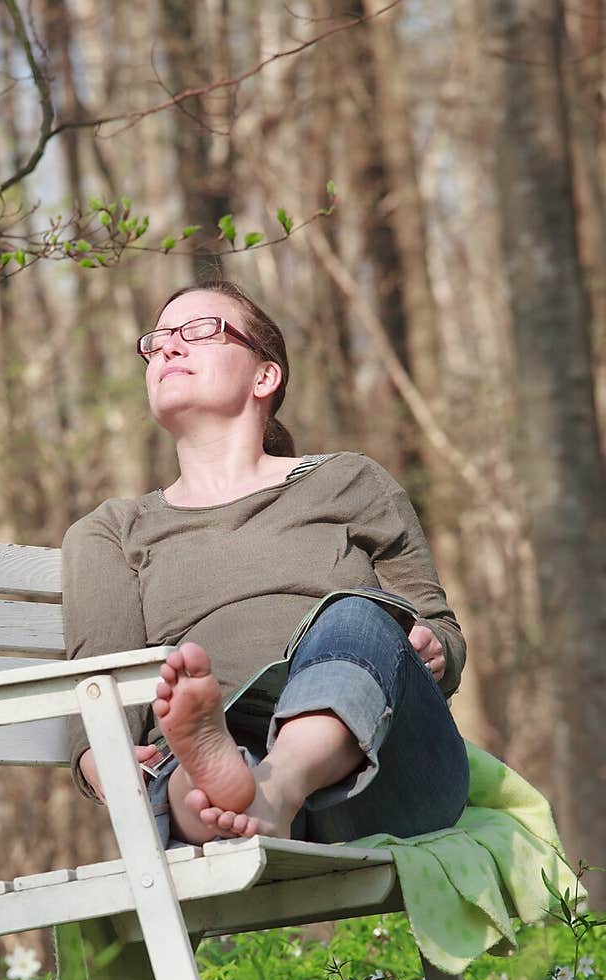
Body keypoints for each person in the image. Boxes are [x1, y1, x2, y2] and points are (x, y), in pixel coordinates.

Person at [62, 280, 470, 862]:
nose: (168, 349)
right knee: (184, 763)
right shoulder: (111, 531)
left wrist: (433, 649)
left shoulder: (350, 482)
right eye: (157, 342)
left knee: (355, 613)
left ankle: (275, 785)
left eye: (199, 331)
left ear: (264, 376)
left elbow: (441, 633)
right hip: (214, 766)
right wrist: (106, 769)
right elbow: (98, 691)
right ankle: (228, 781)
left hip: (380, 770)